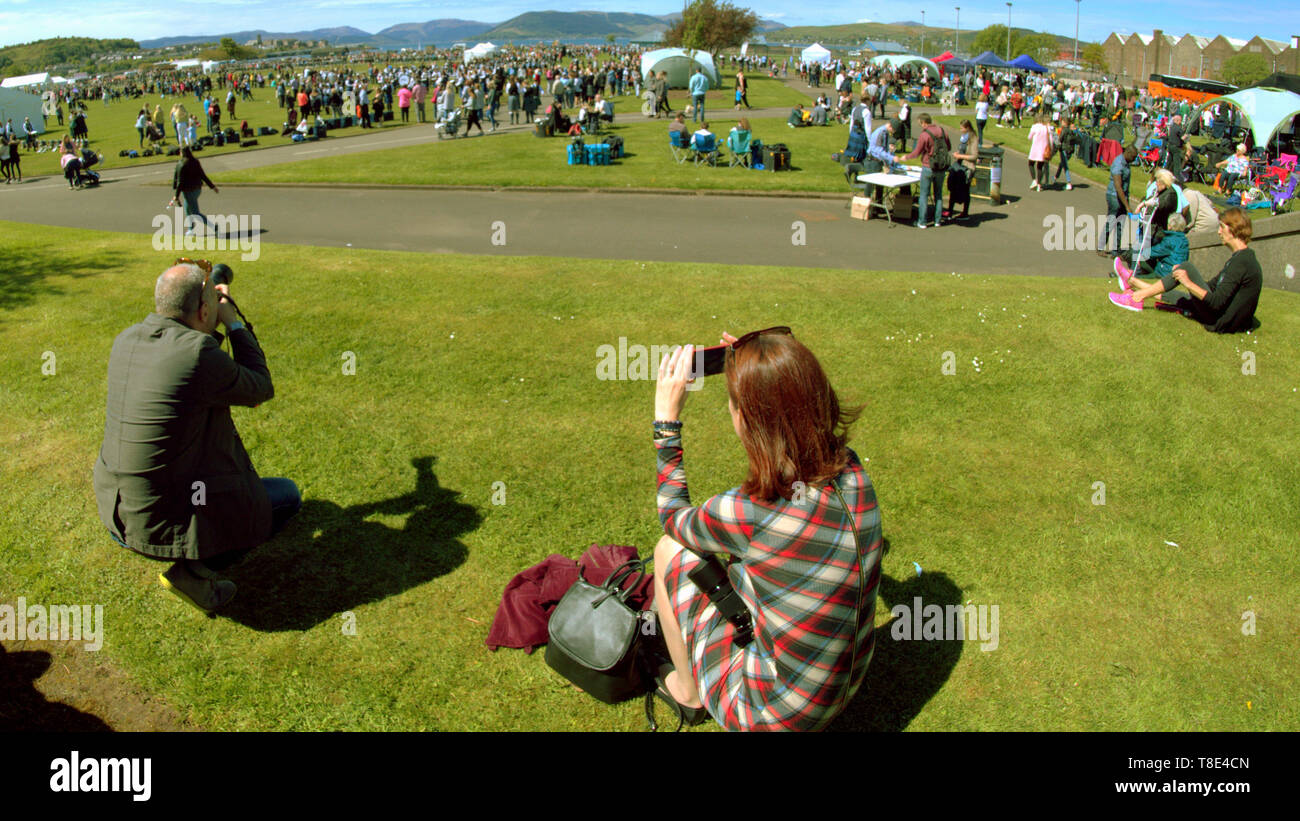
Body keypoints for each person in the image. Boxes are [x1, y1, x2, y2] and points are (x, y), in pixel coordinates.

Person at [650, 329, 882, 731]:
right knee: (741, 567)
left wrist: (666, 422)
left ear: (745, 419)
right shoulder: (853, 470)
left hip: (767, 717)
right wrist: (769, 365)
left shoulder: (749, 513)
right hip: (844, 690)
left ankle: (687, 694)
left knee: (670, 551)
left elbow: (673, 516)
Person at [93, 261, 301, 613]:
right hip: (155, 525)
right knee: (284, 497)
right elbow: (260, 387)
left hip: (117, 512)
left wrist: (208, 310)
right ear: (205, 309)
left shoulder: (126, 338)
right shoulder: (196, 354)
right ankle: (191, 573)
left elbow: (194, 370)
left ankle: (194, 551)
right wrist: (233, 321)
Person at [1110, 207, 1261, 333]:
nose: (1219, 232)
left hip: (1219, 321)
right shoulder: (1242, 258)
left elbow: (1216, 302)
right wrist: (1189, 283)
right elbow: (1212, 287)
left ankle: (1136, 297)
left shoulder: (1242, 262)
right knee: (1181, 297)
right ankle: (1133, 282)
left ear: (1234, 228)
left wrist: (1188, 282)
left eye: (1222, 227)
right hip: (1220, 316)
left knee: (1187, 267)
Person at [903, 113, 951, 229]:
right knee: (938, 194)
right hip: (941, 166)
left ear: (924, 122)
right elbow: (948, 147)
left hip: (928, 166)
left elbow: (917, 152)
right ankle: (937, 221)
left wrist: (906, 157)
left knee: (924, 195)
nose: (921, 126)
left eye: (920, 124)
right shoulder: (943, 131)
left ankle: (922, 222)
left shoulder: (924, 135)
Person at [1098, 145, 1138, 258]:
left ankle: (1116, 250)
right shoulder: (1118, 164)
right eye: (1134, 157)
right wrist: (1127, 206)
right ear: (1128, 154)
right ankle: (1100, 247)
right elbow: (1118, 187)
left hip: (1123, 197)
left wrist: (1126, 202)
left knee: (1121, 224)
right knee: (1111, 222)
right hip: (1114, 197)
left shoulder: (1126, 163)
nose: (1134, 160)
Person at [170, 146, 219, 237]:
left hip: (189, 191)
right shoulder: (195, 162)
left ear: (182, 153)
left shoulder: (182, 164)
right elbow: (203, 175)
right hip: (197, 189)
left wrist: (176, 195)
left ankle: (214, 227)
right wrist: (212, 187)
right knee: (188, 209)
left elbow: (180, 182)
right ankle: (191, 230)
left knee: (195, 212)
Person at [946, 119, 978, 221]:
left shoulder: (973, 139)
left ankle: (965, 213)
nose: (960, 130)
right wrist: (958, 153)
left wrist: (960, 155)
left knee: (965, 190)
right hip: (959, 166)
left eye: (962, 128)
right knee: (953, 188)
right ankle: (949, 211)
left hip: (967, 168)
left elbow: (974, 156)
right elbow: (962, 149)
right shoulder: (964, 137)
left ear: (967, 128)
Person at [1052, 117, 1078, 191]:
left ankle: (1069, 182)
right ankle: (1055, 177)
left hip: (1064, 149)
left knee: (1065, 166)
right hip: (1070, 150)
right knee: (1062, 164)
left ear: (1064, 122)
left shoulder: (1064, 130)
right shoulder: (1071, 131)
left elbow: (1060, 140)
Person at [1027, 115, 1052, 191]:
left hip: (1035, 149)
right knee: (1040, 166)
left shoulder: (1034, 127)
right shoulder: (1046, 127)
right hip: (1043, 150)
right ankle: (1039, 184)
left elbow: (1029, 137)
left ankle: (1034, 179)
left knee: (1031, 163)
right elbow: (1050, 140)